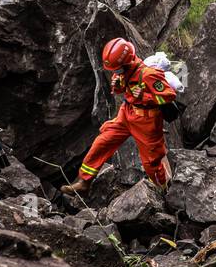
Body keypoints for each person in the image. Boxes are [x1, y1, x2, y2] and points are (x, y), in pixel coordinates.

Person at [61, 37, 176, 195]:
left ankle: (163, 190)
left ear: (127, 62)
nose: (114, 72)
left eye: (116, 69)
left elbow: (168, 95)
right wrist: (118, 86)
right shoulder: (123, 71)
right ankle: (84, 182)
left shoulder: (149, 75)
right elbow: (122, 88)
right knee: (102, 142)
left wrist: (145, 96)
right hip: (126, 114)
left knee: (152, 162)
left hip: (146, 121)